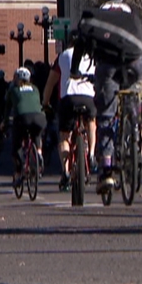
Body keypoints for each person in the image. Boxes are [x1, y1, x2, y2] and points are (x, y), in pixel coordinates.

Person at [72, 0, 142, 196]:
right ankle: (137, 125)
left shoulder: (94, 15)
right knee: (135, 89)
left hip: (109, 65)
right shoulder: (136, 16)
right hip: (137, 62)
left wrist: (75, 71)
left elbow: (80, 43)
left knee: (106, 115)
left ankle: (106, 169)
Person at [43, 38, 97, 192]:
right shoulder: (91, 56)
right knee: (91, 122)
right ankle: (92, 154)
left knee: (64, 136)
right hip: (88, 97)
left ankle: (66, 171)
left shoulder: (63, 56)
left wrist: (45, 103)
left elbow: (50, 83)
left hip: (68, 98)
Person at [5, 66, 47, 184]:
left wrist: (4, 122)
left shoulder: (13, 89)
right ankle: (39, 153)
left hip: (22, 118)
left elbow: (7, 108)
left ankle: (19, 171)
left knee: (17, 146)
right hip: (39, 117)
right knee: (36, 135)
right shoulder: (35, 89)